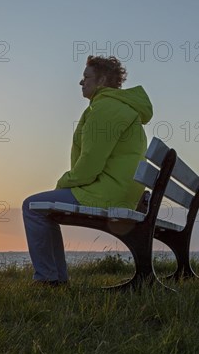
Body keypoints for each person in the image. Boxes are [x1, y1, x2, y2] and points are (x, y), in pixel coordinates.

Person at [22, 55, 153, 286]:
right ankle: (54, 278)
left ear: (101, 80)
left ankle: (48, 279)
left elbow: (91, 164)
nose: (81, 83)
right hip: (119, 190)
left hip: (106, 193)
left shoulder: (105, 109)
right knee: (43, 209)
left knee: (32, 206)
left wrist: (64, 182)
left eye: (86, 77)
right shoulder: (121, 108)